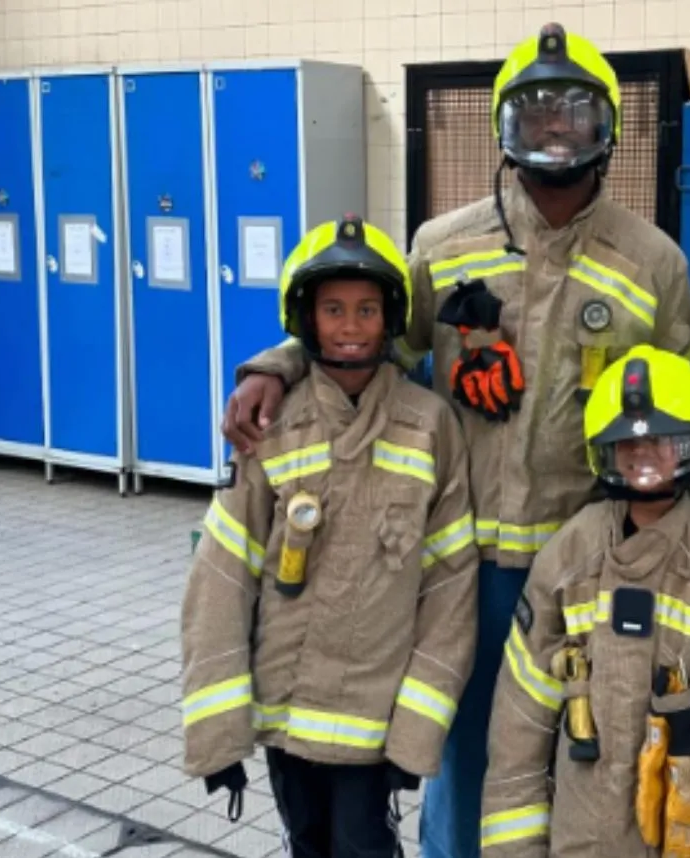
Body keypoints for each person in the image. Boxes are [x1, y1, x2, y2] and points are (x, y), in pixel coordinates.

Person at [220, 23, 690, 858]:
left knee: (592, 758)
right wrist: (276, 363)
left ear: (607, 130)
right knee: (466, 766)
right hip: (461, 571)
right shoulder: (443, 247)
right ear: (505, 130)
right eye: (535, 115)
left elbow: (685, 411)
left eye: (573, 115)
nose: (554, 132)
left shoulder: (652, 261)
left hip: (588, 564)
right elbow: (367, 337)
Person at [179, 214, 479, 858]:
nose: (349, 326)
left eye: (367, 309)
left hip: (376, 726)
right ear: (305, 318)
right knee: (307, 843)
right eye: (333, 308)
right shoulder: (272, 424)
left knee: (363, 846)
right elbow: (221, 579)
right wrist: (219, 735)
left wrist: (414, 738)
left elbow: (451, 592)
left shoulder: (430, 428)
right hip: (288, 720)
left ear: (391, 317)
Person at [478, 344, 690, 858]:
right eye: (626, 443)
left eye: (662, 441)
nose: (642, 456)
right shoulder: (568, 557)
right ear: (604, 450)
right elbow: (517, 735)